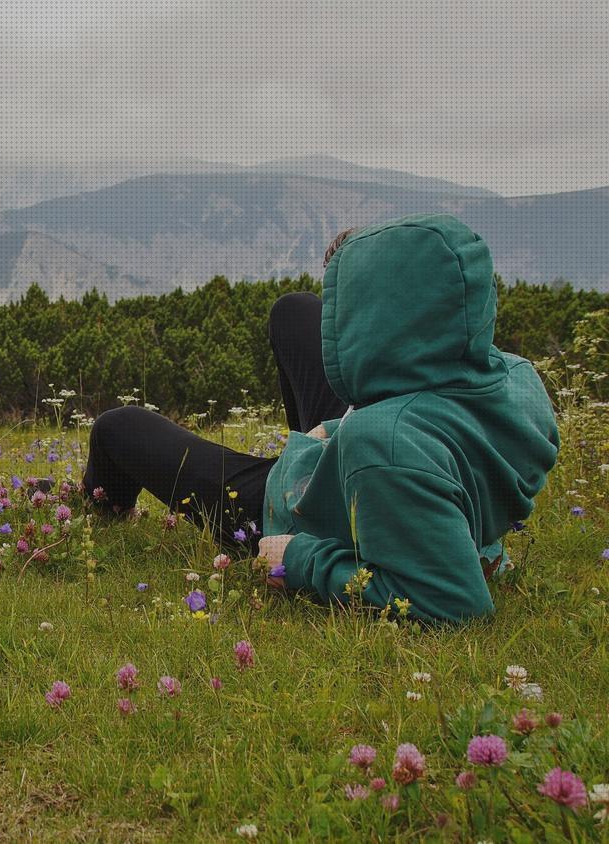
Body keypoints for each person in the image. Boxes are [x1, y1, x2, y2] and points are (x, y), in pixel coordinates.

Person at [82, 213, 559, 622]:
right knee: (294, 311)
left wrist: (298, 557)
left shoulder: (384, 445)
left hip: (299, 513)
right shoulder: (517, 374)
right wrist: (334, 428)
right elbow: (436, 427)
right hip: (392, 466)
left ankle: (104, 504)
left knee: (116, 428)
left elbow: (454, 603)